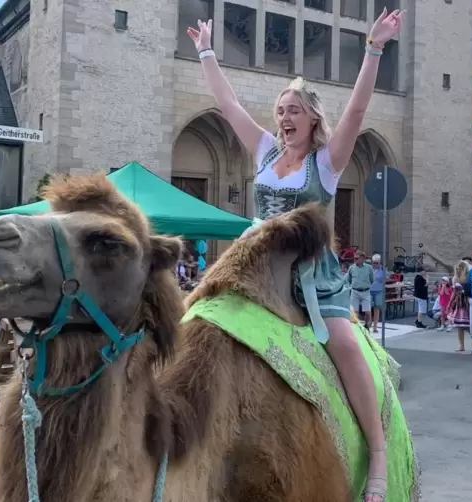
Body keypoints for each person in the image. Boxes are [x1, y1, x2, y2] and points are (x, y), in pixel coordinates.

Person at [187, 9, 405, 499]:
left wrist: (373, 48)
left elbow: (356, 112)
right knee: (194, 320)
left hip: (311, 274)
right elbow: (227, 106)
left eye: (294, 111)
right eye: (281, 110)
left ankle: (377, 456)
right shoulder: (264, 151)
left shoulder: (327, 164)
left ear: (312, 119)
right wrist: (206, 52)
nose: (284, 118)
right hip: (255, 268)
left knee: (347, 347)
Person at [449, 261, 472, 352]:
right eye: (457, 269)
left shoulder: (468, 276)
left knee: (471, 326)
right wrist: (450, 303)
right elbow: (454, 292)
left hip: (467, 301)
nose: (459, 270)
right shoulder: (455, 278)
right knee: (459, 326)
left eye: (461, 269)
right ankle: (461, 345)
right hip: (459, 302)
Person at [347, 251, 374, 328]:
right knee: (355, 311)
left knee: (367, 311)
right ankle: (356, 327)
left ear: (362, 259)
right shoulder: (352, 268)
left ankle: (366, 325)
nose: (354, 260)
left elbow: (372, 279)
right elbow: (348, 279)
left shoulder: (369, 268)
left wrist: (366, 285)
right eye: (354, 258)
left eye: (356, 258)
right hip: (355, 291)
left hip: (365, 291)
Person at [369, 254, 386, 334]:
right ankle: (369, 322)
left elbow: (385, 279)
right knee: (368, 308)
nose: (375, 264)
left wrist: (382, 269)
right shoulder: (369, 268)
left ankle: (375, 326)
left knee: (376, 308)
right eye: (374, 262)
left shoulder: (382, 270)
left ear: (379, 262)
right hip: (369, 290)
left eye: (377, 263)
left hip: (378, 290)